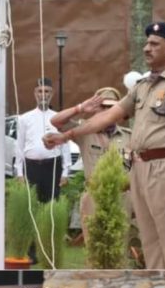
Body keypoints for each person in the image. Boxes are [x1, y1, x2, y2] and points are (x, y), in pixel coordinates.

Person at [44, 22, 165, 269]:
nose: (147, 48)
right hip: (141, 167)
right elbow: (108, 116)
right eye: (147, 43)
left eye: (154, 44)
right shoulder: (143, 85)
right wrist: (67, 135)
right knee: (151, 243)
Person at [50, 87, 133, 246]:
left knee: (120, 248)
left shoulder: (129, 135)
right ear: (96, 109)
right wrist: (80, 108)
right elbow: (56, 121)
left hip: (122, 197)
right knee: (95, 248)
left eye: (112, 107)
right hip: (94, 196)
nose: (107, 111)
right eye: (103, 106)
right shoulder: (84, 131)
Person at [15, 77, 72, 204]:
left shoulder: (58, 118)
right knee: (30, 204)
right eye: (40, 91)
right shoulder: (24, 118)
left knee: (51, 204)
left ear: (51, 94)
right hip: (31, 167)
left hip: (52, 167)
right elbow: (19, 146)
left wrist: (65, 172)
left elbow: (65, 146)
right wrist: (19, 173)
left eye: (46, 91)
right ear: (35, 94)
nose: (43, 95)